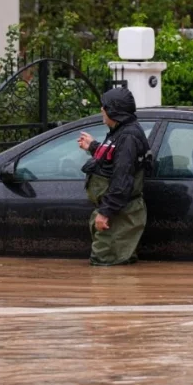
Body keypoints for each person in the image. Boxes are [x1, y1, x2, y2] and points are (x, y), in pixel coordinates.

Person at [77, 87, 151, 266]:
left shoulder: (128, 136)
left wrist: (105, 212)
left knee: (105, 266)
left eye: (105, 107)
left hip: (119, 213)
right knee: (116, 264)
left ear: (114, 111)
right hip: (118, 212)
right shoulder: (122, 131)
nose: (101, 110)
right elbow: (114, 157)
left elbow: (122, 179)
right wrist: (92, 146)